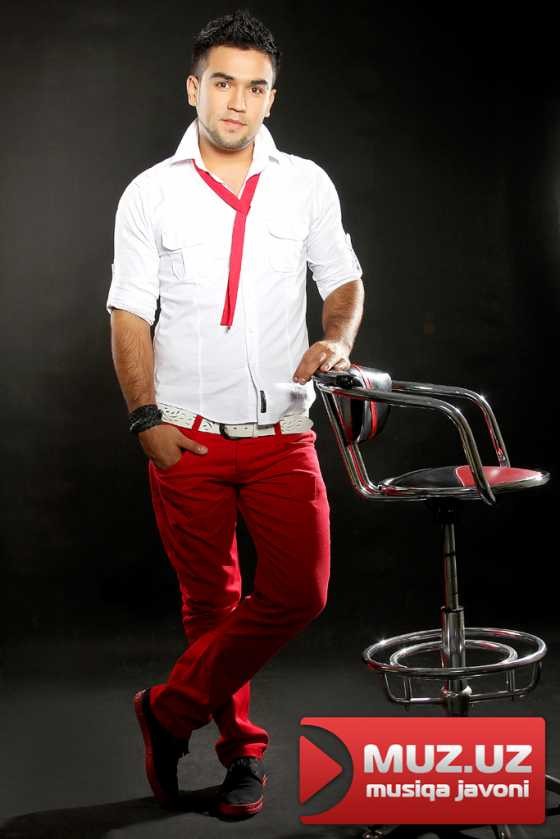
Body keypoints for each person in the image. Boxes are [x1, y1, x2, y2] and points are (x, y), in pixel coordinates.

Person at [106, 7, 364, 819]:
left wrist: (336, 339)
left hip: (284, 430)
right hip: (186, 434)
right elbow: (128, 313)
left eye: (255, 88)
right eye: (223, 83)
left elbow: (344, 280)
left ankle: (167, 709)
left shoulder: (306, 183)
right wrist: (144, 417)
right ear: (194, 88)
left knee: (301, 590)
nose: (238, 102)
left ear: (271, 97)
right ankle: (242, 754)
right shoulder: (150, 194)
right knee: (212, 604)